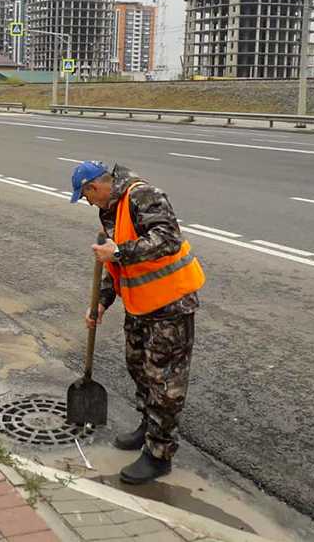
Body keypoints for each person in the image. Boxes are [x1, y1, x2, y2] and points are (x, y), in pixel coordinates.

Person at [70, 160, 205, 484]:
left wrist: (118, 252)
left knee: (164, 383)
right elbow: (115, 269)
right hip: (141, 306)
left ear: (95, 186)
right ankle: (149, 426)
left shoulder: (141, 196)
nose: (87, 202)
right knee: (138, 368)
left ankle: (159, 455)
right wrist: (101, 302)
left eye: (86, 196)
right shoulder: (110, 212)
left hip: (171, 305)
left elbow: (168, 239)